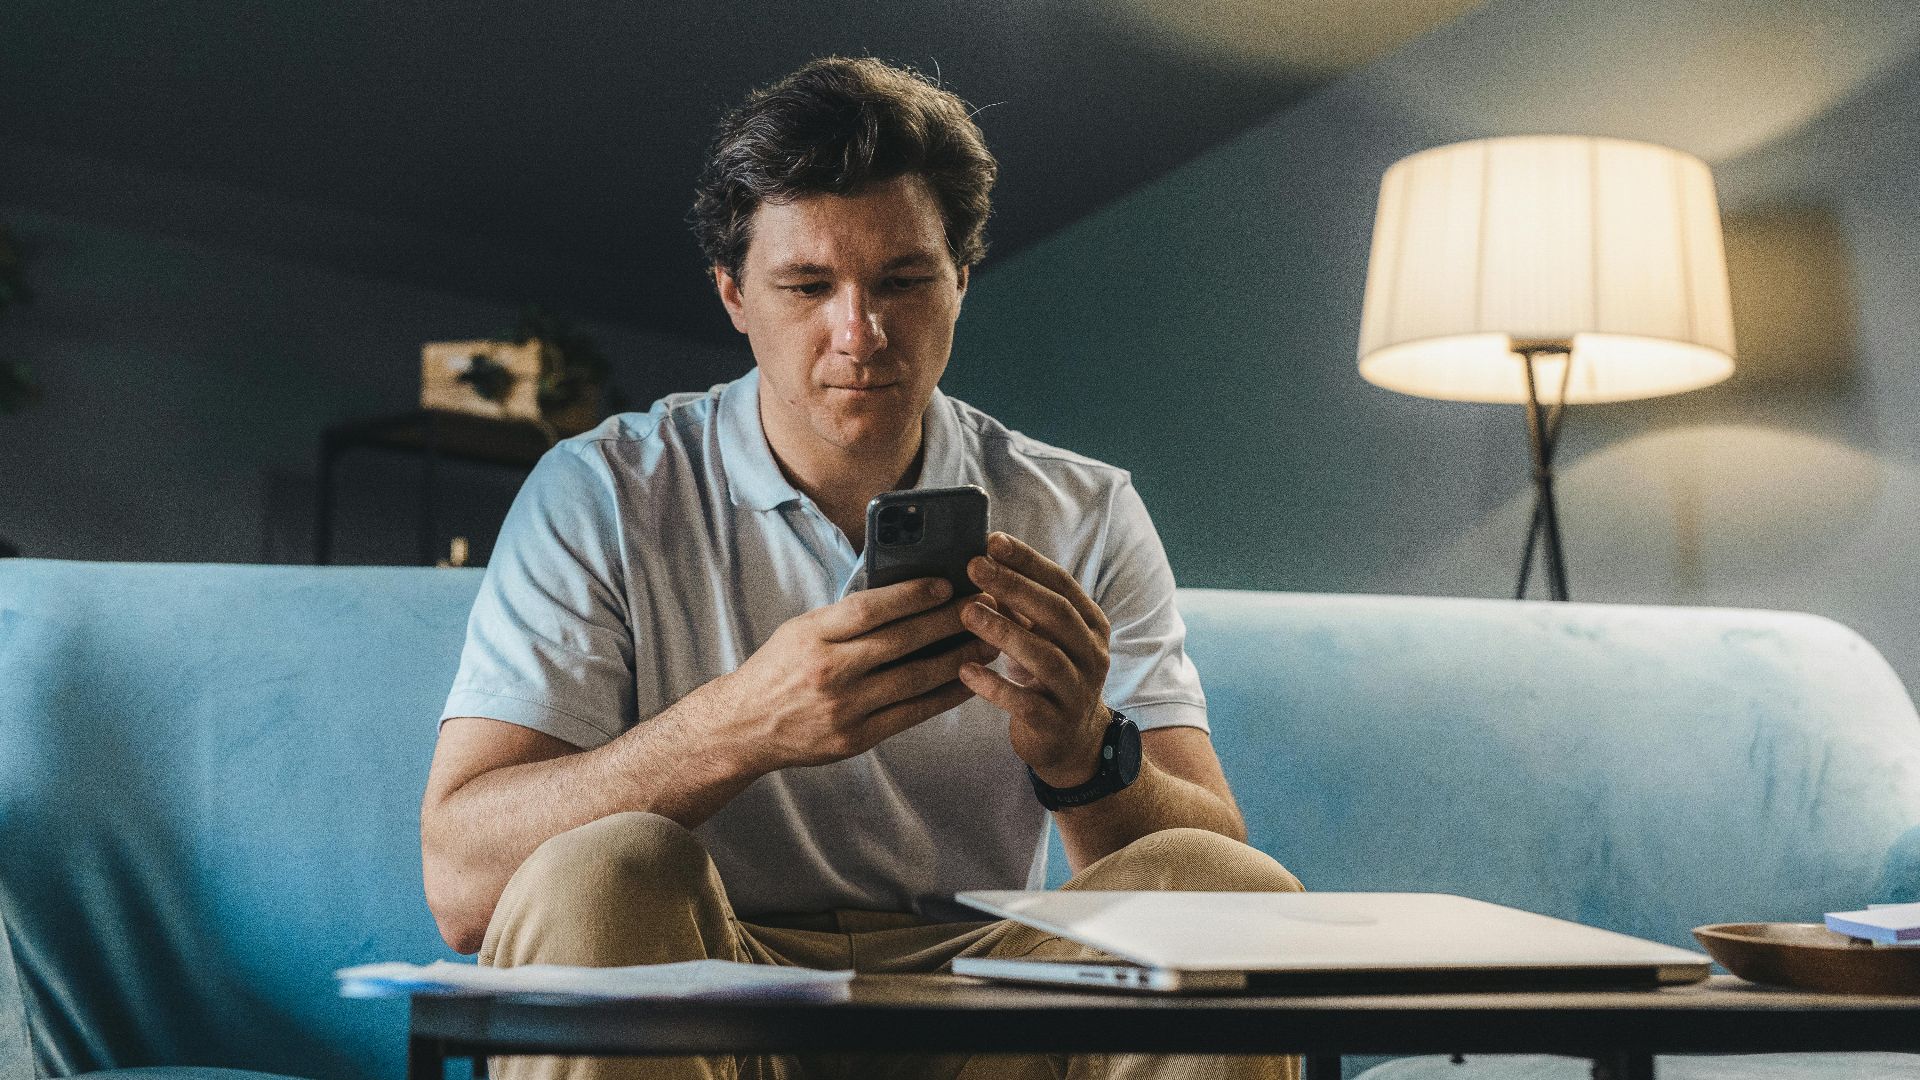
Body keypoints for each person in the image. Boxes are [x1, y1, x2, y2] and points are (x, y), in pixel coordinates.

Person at [420, 55, 1302, 1080]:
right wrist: (742, 725)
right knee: (607, 869)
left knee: (1218, 888)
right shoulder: (601, 492)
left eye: (904, 280)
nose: (862, 333)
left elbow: (1200, 865)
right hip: (704, 991)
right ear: (733, 297)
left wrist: (1083, 749)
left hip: (986, 1002)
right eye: (806, 286)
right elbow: (460, 885)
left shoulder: (1083, 510)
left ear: (961, 282)